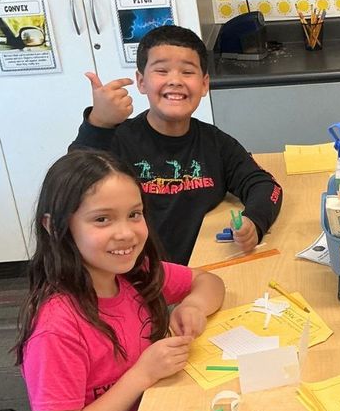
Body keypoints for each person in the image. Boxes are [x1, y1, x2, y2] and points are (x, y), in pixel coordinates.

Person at [16, 150, 225, 411]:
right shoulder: (56, 327)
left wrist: (193, 306)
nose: (126, 233)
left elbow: (208, 281)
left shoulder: (132, 274)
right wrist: (142, 373)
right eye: (102, 219)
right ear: (54, 226)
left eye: (134, 214)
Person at [69, 24, 283, 265]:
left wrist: (254, 221)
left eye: (187, 72)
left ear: (204, 84)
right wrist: (99, 123)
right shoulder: (117, 139)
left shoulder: (215, 143)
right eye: (161, 70)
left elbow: (266, 186)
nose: (175, 81)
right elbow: (71, 184)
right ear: (141, 81)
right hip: (129, 275)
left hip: (199, 270)